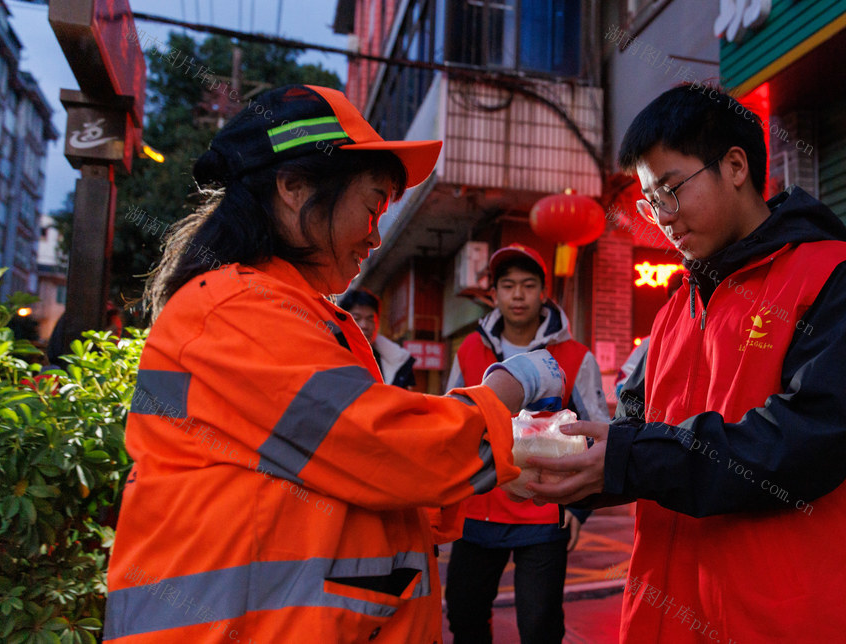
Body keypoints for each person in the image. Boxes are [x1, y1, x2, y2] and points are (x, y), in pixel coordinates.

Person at [103, 85, 568, 644]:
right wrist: (509, 385)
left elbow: (354, 479)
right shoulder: (237, 312)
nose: (374, 237)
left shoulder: (278, 311)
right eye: (371, 206)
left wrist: (485, 474)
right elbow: (388, 448)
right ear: (295, 188)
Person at [525, 83, 846, 643]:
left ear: (735, 166)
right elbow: (636, 440)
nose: (663, 219)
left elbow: (807, 440)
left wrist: (631, 458)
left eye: (671, 191)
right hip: (672, 616)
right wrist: (569, 466)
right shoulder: (674, 311)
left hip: (797, 622)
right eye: (650, 204)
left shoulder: (838, 285)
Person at [443, 244, 608, 644]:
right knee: (464, 613)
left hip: (543, 510)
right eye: (508, 285)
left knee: (539, 626)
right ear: (494, 294)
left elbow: (598, 431)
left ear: (542, 294)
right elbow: (451, 424)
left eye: (528, 285)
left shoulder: (575, 356)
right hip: (477, 510)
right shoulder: (469, 350)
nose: (518, 295)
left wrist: (579, 511)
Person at [338, 288, 416, 389]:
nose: (364, 325)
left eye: (370, 319)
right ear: (341, 321)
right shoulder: (329, 357)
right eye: (356, 318)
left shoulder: (396, 361)